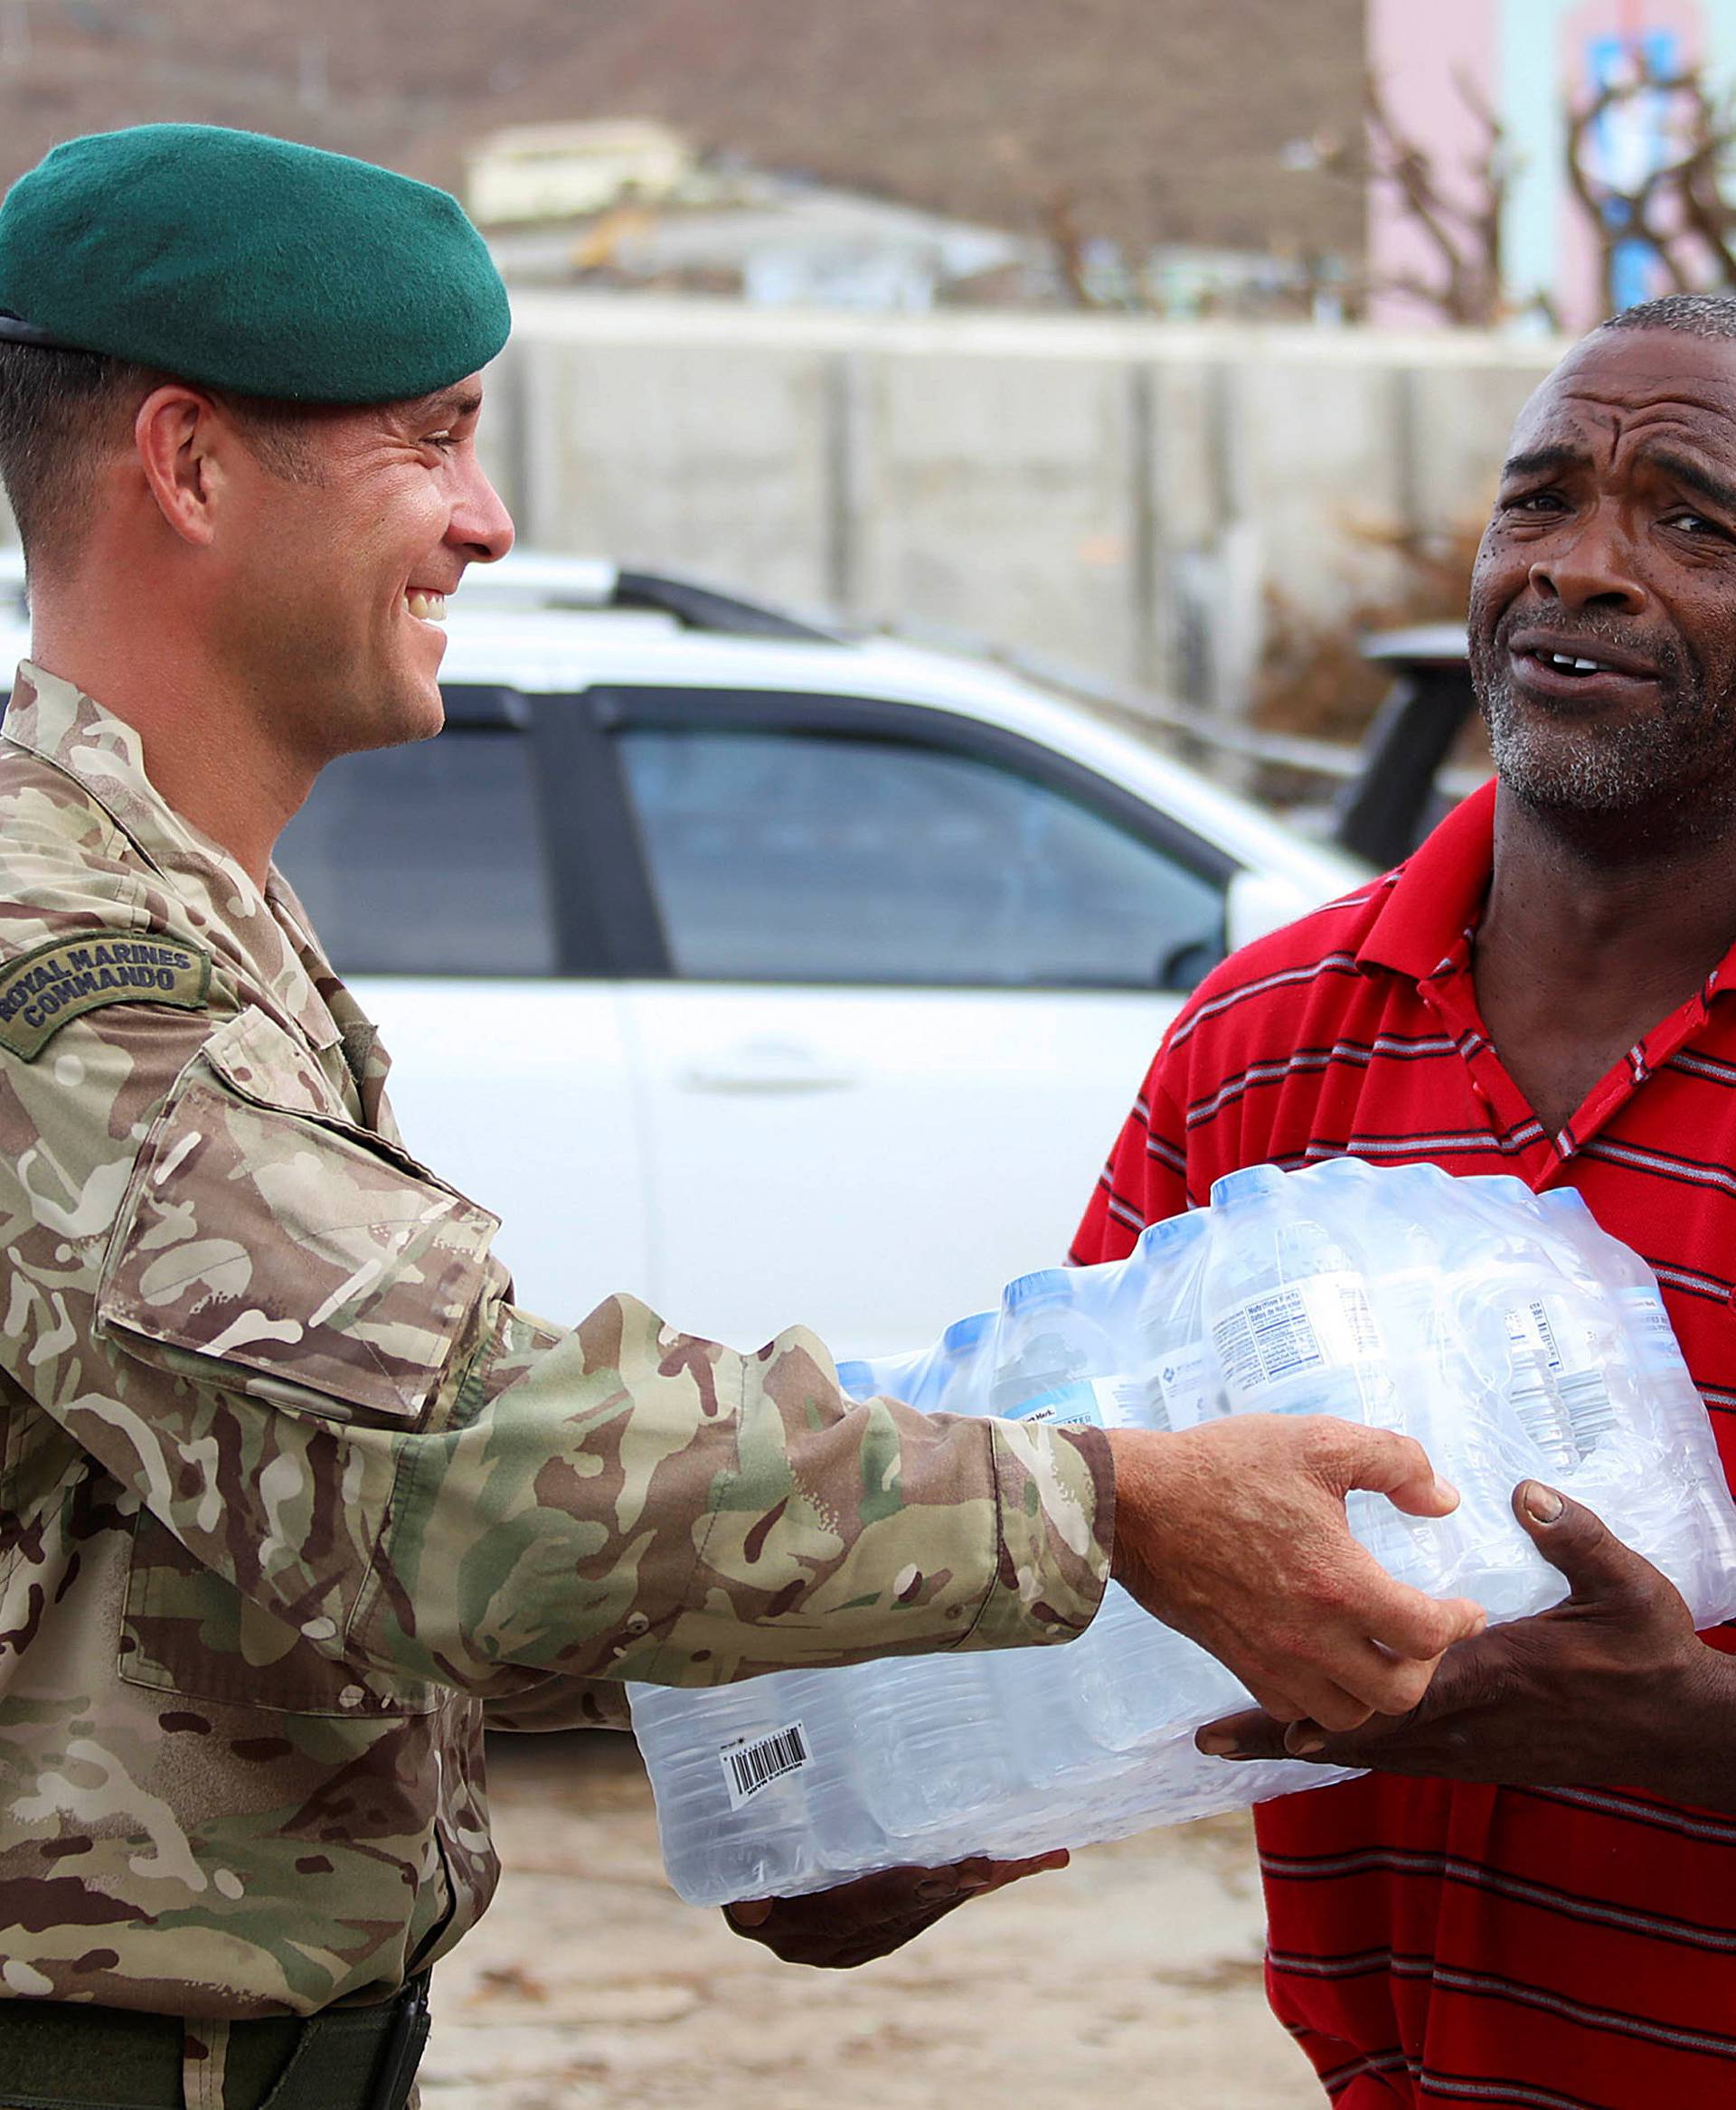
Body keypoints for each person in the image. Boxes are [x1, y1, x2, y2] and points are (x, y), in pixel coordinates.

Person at [0, 125, 1484, 2110]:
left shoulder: (195, 898)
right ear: (187, 465)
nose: (487, 519)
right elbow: (459, 1480)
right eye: (428, 442)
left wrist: (886, 1725)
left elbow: (306, 1545)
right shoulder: (62, 954)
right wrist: (1115, 1509)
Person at [734, 297, 1736, 2105]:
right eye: (1538, 504)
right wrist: (937, 1818)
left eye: (1692, 522)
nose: (1580, 570)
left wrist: (1681, 1735)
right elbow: (1114, 1533)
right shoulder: (1263, 1038)